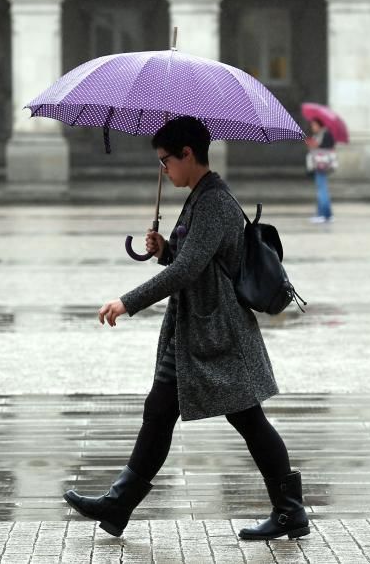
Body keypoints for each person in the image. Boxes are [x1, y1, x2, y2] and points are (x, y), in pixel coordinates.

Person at [64, 116, 309, 541]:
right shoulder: (200, 195)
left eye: (166, 162)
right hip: (195, 332)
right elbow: (195, 259)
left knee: (249, 420)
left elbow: (190, 269)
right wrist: (166, 250)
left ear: (188, 154)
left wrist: (128, 301)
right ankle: (118, 505)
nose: (164, 170)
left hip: (217, 333)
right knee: (159, 413)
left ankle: (290, 511)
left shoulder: (212, 201)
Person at [305, 118, 335, 223]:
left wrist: (314, 145)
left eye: (314, 125)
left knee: (322, 190)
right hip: (318, 165)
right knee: (321, 189)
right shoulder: (318, 135)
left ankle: (323, 215)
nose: (312, 127)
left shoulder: (325, 134)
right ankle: (326, 214)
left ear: (319, 125)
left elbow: (326, 147)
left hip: (321, 165)